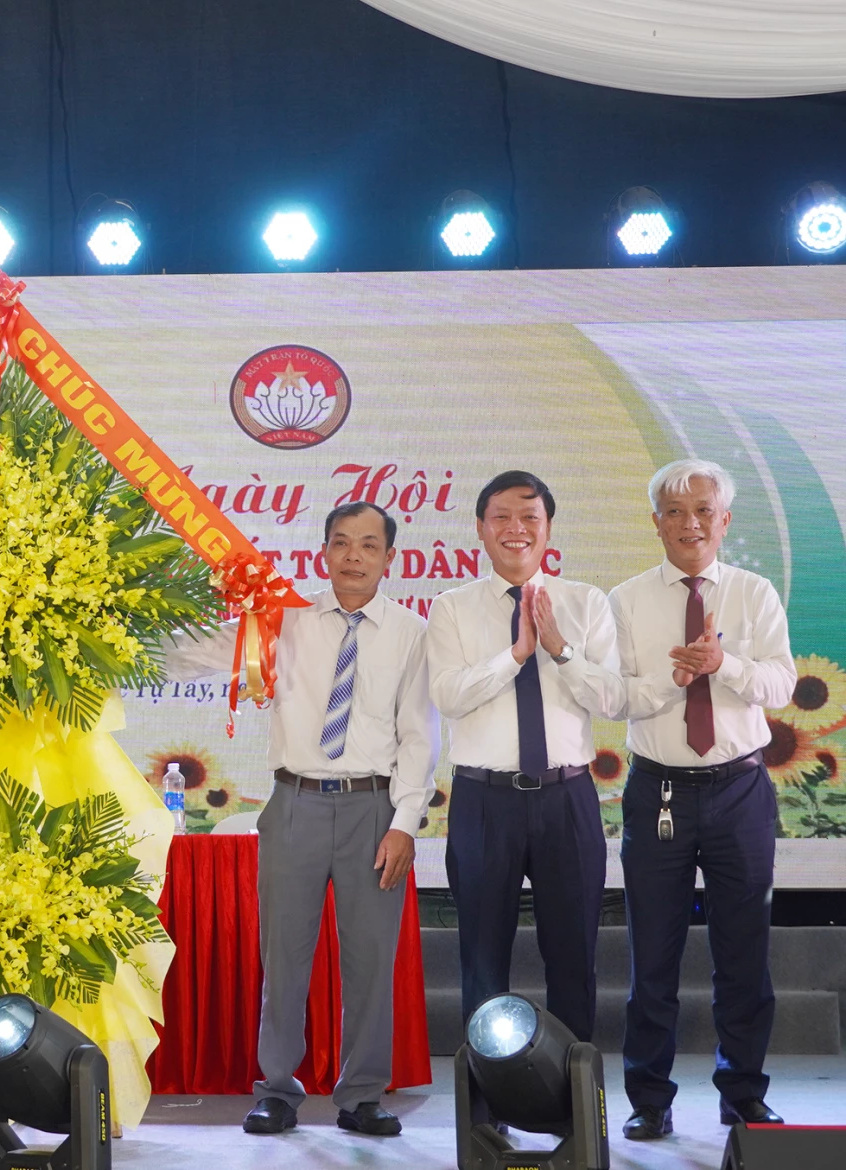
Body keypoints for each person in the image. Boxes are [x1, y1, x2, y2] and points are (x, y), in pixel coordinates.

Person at [166, 502, 437, 1138]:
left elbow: (419, 735)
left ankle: (363, 1095)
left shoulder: (410, 632)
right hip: (294, 804)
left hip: (375, 808)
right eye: (341, 543)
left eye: (369, 546)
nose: (353, 557)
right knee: (284, 954)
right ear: (322, 552)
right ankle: (277, 1090)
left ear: (389, 558)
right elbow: (190, 657)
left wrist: (404, 821)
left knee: (370, 957)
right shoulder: (282, 620)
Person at [609, 460, 793, 1139]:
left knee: (743, 954)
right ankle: (648, 1101)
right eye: (675, 511)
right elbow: (616, 695)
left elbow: (780, 683)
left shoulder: (753, 593)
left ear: (726, 520)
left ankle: (743, 1093)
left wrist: (724, 666)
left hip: (740, 790)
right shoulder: (625, 600)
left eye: (704, 510)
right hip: (656, 788)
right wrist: (671, 677)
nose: (691, 523)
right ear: (655, 521)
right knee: (651, 958)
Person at [425, 471, 622, 1046]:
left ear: (549, 529)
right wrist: (515, 655)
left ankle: (576, 1108)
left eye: (530, 517)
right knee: (483, 964)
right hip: (485, 802)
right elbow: (448, 695)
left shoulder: (585, 602)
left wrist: (558, 649)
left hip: (569, 799)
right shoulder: (452, 608)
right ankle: (487, 1114)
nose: (517, 529)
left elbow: (610, 699)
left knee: (573, 959)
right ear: (481, 530)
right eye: (502, 518)